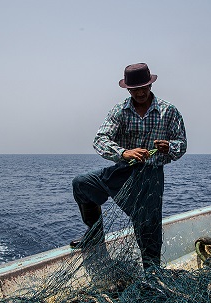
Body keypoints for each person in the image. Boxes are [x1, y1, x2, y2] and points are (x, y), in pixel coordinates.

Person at [70, 63, 187, 269]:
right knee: (82, 184)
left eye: (144, 87)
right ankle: (95, 236)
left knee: (148, 226)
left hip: (151, 176)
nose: (141, 92)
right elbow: (100, 139)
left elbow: (181, 144)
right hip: (123, 170)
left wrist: (169, 146)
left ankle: (152, 273)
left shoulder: (169, 111)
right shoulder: (119, 111)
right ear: (128, 89)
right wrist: (124, 153)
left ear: (151, 85)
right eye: (135, 89)